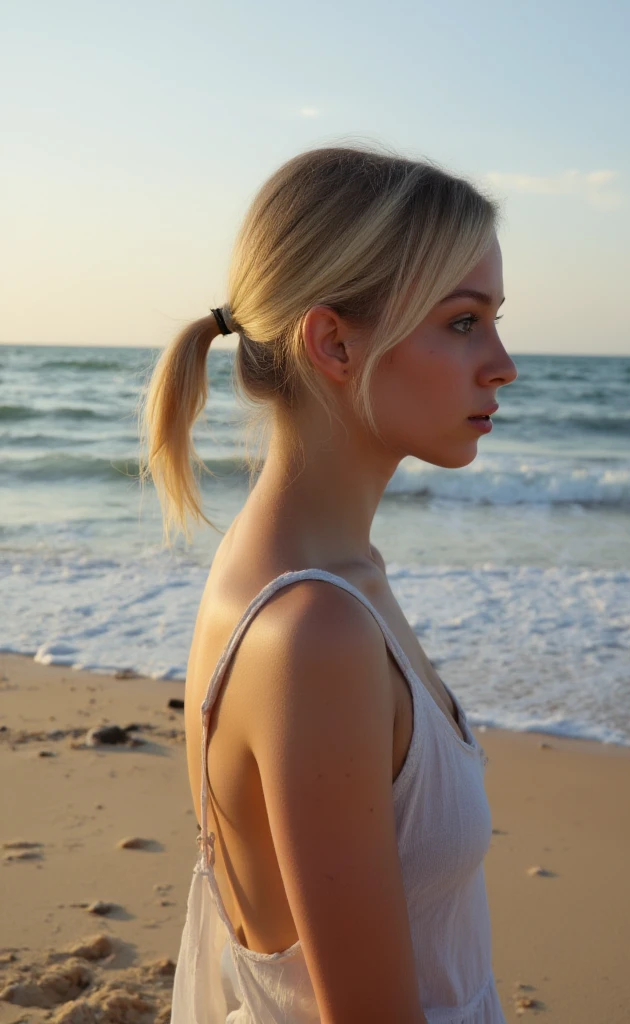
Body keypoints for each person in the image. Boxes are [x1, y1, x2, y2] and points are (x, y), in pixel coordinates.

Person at [141, 143, 518, 1024]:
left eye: (496, 319)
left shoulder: (313, 573)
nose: (503, 362)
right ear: (334, 342)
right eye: (463, 322)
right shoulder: (316, 630)